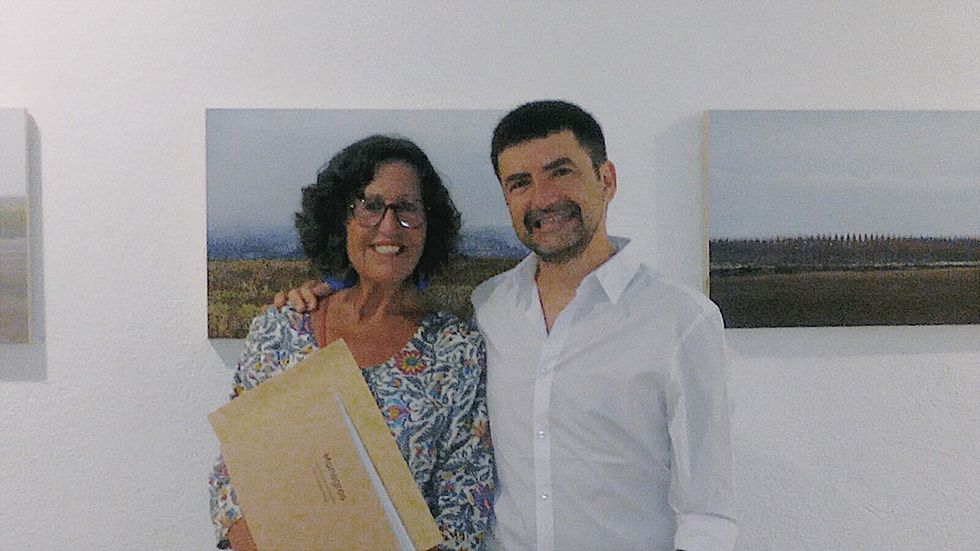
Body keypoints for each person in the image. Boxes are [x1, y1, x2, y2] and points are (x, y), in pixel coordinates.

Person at [280, 101, 737, 551]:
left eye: (561, 171)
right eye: (520, 182)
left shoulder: (682, 320)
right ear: (507, 198)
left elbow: (708, 512)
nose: (542, 198)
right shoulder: (487, 308)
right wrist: (323, 290)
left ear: (606, 179)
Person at [209, 135, 495, 550]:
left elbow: (467, 504)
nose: (388, 225)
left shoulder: (456, 350)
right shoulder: (282, 330)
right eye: (370, 205)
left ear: (428, 226)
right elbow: (231, 476)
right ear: (339, 219)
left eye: (408, 209)